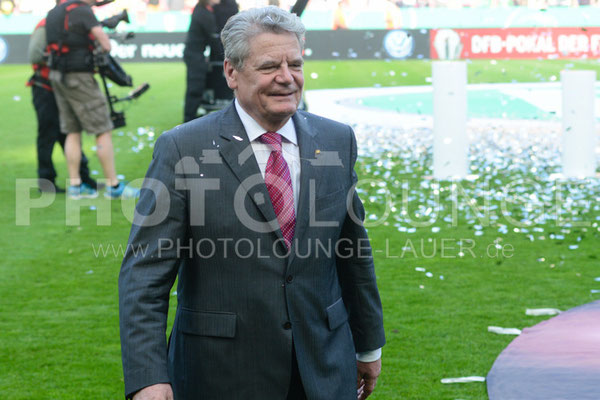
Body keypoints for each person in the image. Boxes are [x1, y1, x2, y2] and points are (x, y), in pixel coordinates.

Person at [119, 6, 384, 400]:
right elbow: (145, 274)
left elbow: (352, 251)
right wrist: (148, 376)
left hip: (323, 366)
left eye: (295, 64)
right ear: (231, 72)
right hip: (220, 372)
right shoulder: (182, 148)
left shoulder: (336, 140)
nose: (286, 78)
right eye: (268, 66)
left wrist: (367, 343)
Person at [45, 0, 139, 199]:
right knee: (102, 129)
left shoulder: (55, 12)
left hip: (57, 75)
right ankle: (113, 186)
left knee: (72, 130)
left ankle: (75, 186)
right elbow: (105, 44)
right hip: (80, 77)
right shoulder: (82, 11)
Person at [27, 0, 100, 194]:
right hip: (46, 88)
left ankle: (84, 179)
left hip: (60, 87)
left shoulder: (56, 22)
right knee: (49, 136)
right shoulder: (46, 24)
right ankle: (46, 183)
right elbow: (35, 54)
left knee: (69, 133)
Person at [183, 0, 221, 122]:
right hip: (195, 55)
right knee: (195, 88)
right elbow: (212, 38)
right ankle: (189, 119)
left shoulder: (201, 11)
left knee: (195, 88)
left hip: (194, 54)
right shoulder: (204, 13)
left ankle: (190, 117)